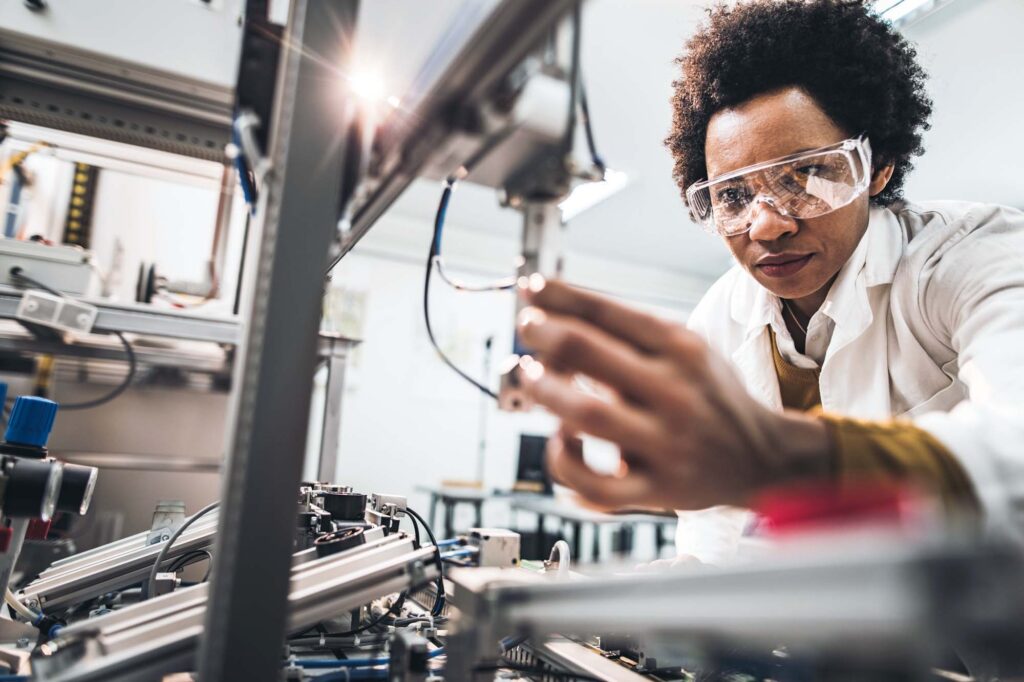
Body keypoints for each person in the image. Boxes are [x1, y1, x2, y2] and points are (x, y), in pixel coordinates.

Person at [513, 0, 1024, 563]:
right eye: (732, 196)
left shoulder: (973, 257)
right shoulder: (720, 315)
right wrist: (686, 593)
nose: (767, 225)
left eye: (806, 175)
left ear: (878, 165)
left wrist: (786, 456)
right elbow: (712, 520)